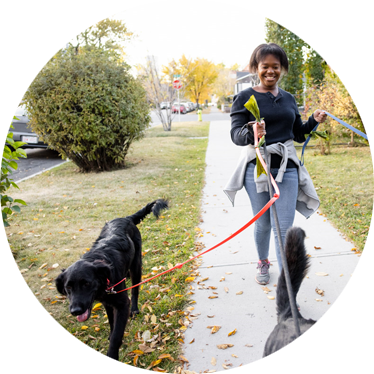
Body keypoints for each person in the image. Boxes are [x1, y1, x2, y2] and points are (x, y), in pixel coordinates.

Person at [224, 43, 327, 285]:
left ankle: (287, 286)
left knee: (284, 229)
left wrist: (313, 120)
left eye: (276, 67)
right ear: (255, 68)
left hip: (287, 168)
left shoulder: (289, 99)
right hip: (257, 168)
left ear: (282, 69)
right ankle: (262, 260)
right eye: (265, 67)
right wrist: (253, 132)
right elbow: (235, 136)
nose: (271, 71)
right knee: (264, 224)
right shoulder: (244, 98)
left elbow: (298, 134)